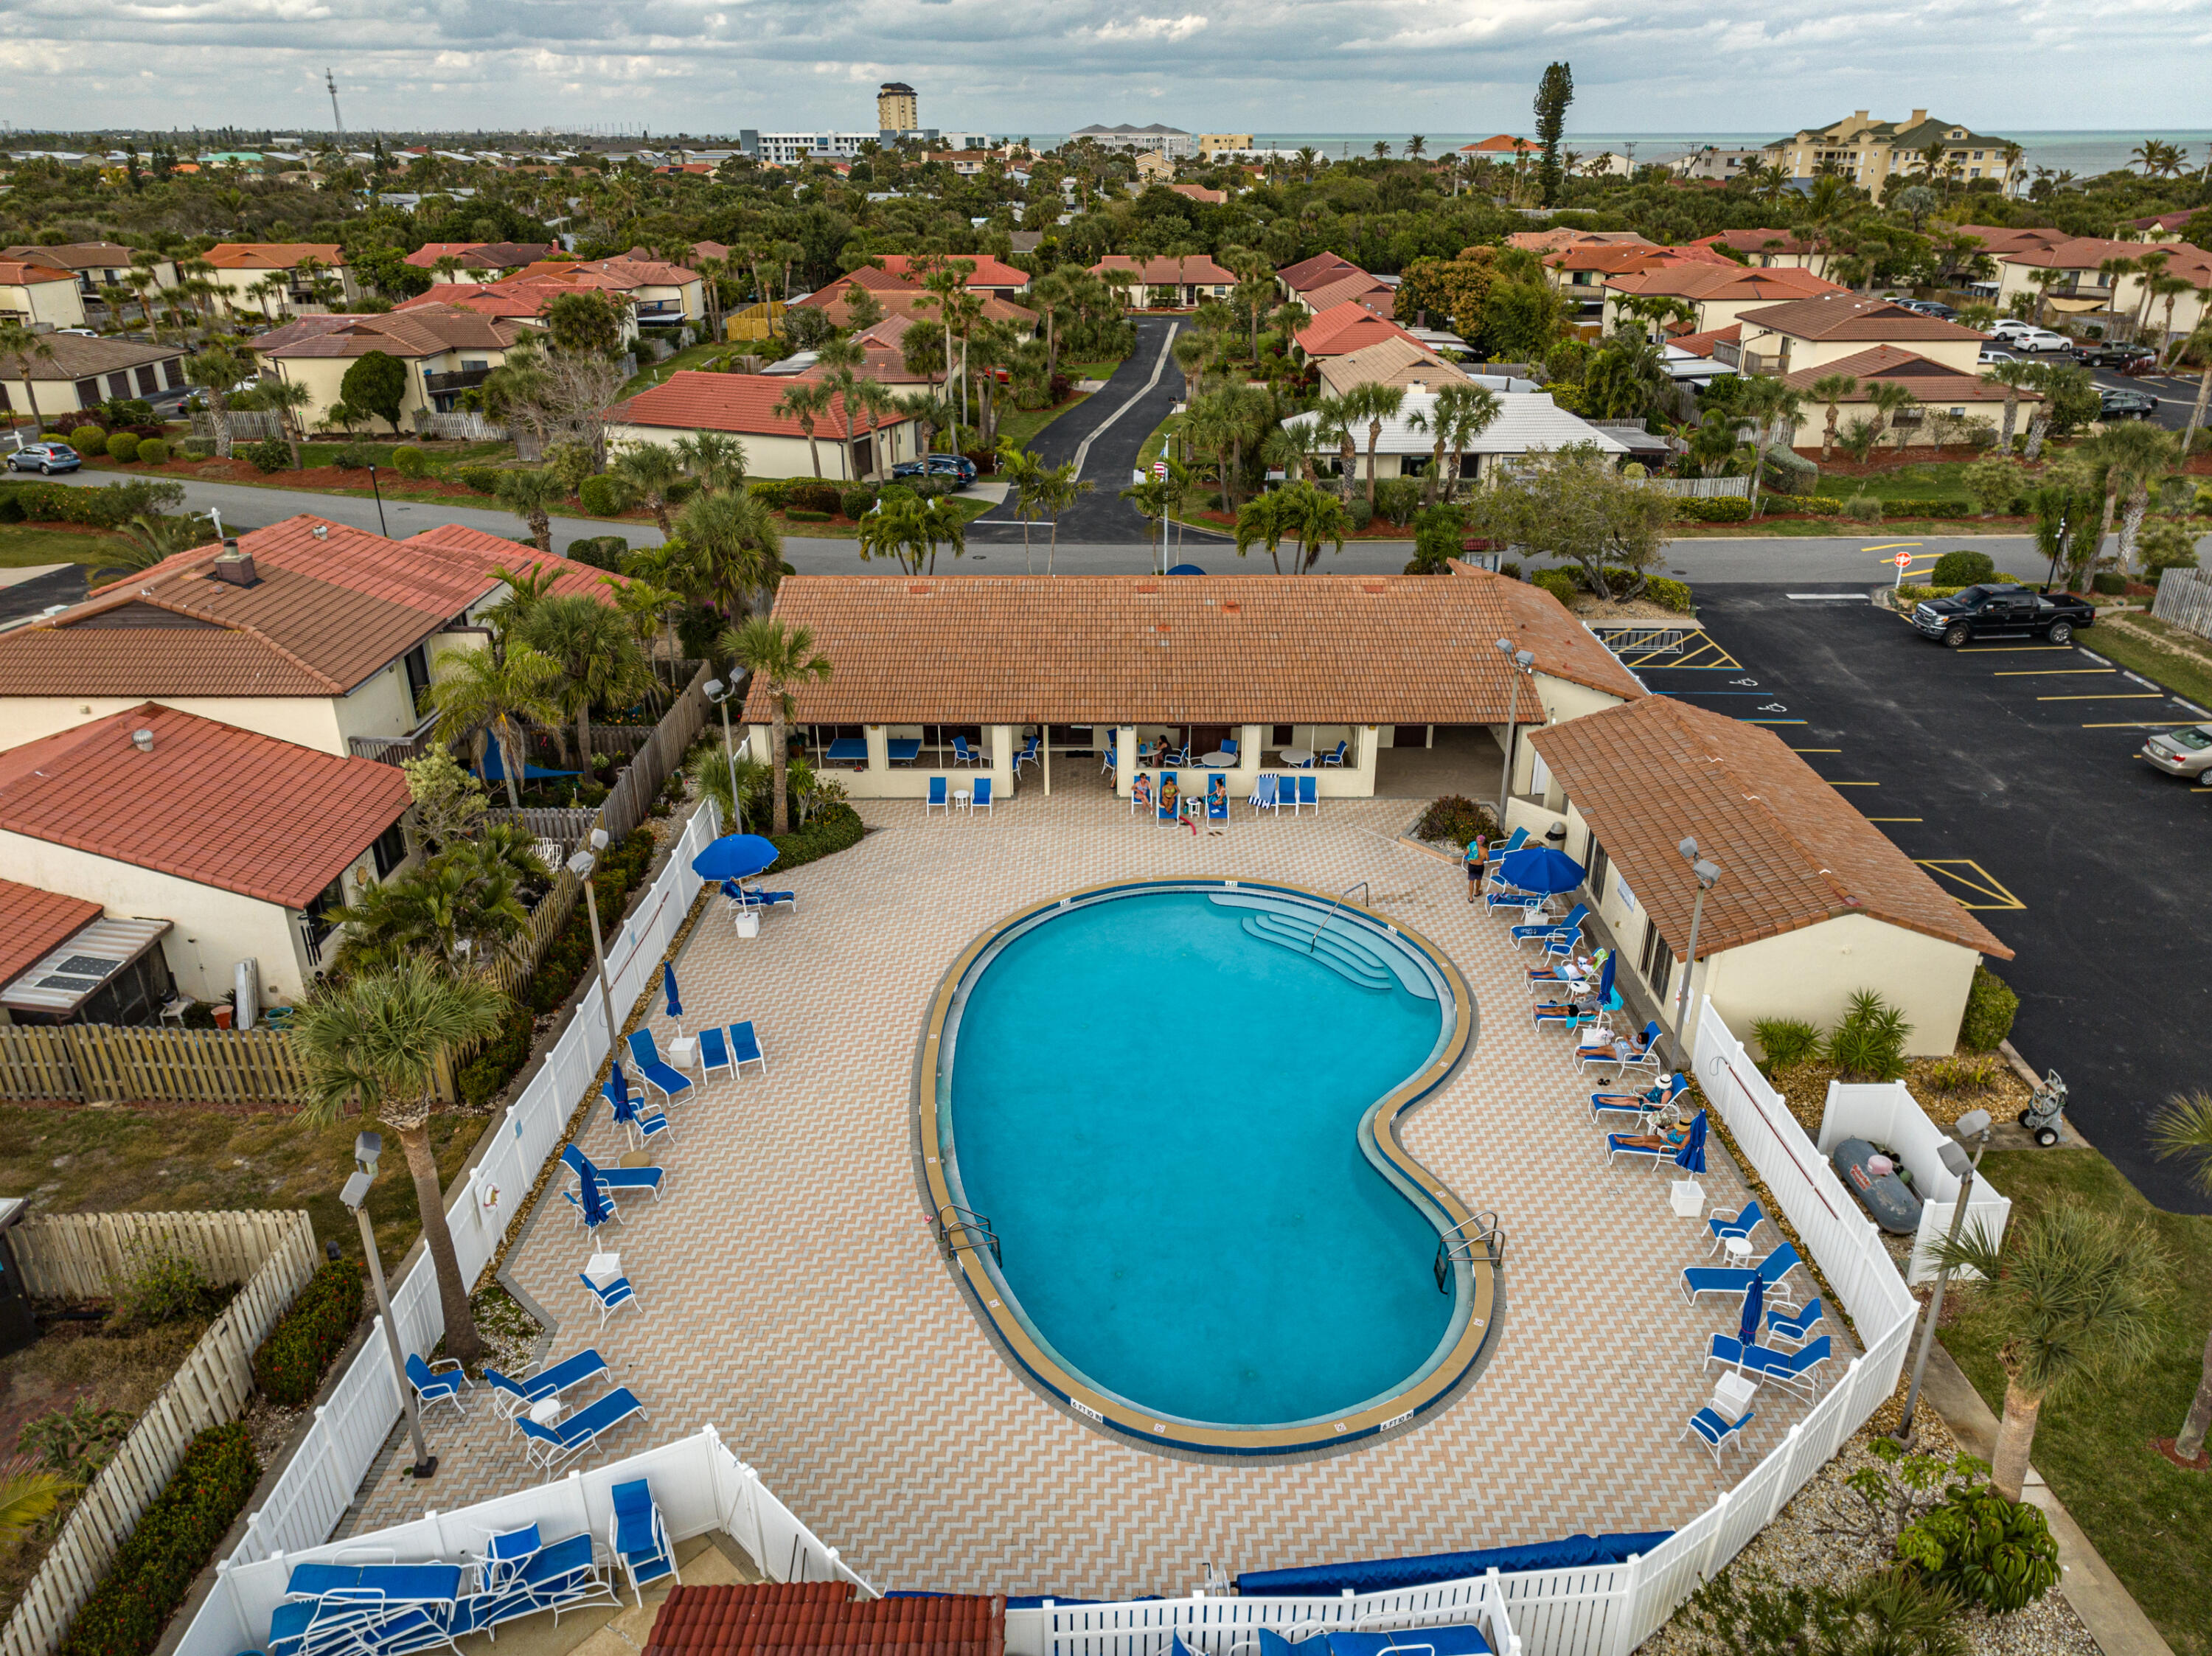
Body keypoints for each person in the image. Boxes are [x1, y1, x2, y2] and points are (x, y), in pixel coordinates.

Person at [1465, 834, 1487, 903]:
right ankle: (1477, 892)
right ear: (1483, 842)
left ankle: (1471, 898)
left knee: (1471, 881)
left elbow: (1466, 854)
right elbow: (1488, 859)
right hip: (1480, 867)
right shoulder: (1485, 850)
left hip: (1472, 866)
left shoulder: (1472, 846)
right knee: (1478, 880)